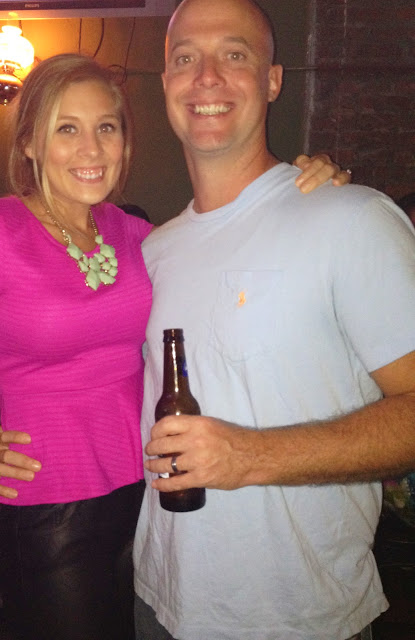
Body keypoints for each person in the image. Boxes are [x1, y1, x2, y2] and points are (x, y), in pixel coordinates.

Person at [0, 51, 347, 639]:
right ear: (30, 143)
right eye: (67, 129)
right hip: (50, 508)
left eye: (106, 127)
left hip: (147, 496)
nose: (91, 149)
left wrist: (308, 187)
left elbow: (233, 243)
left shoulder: (134, 234)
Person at [133, 1, 415, 639]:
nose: (206, 76)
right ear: (166, 83)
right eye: (185, 58)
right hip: (160, 602)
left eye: (234, 54)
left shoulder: (351, 219)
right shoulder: (152, 251)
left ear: (273, 80)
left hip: (299, 617)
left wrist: (250, 455)